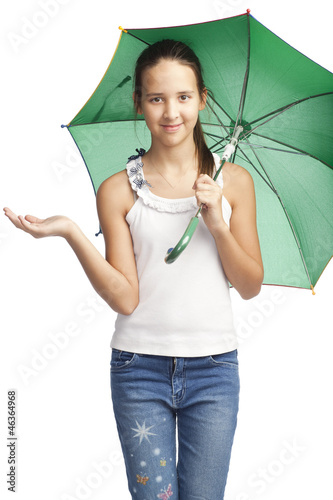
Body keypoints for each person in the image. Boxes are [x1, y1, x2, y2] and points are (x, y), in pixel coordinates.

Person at [3, 39, 263, 499]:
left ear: (203, 99)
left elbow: (250, 286)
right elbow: (125, 298)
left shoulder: (234, 183)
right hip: (138, 368)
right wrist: (70, 232)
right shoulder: (117, 190)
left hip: (215, 370)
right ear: (138, 102)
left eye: (184, 97)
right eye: (156, 97)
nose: (171, 112)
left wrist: (218, 226)